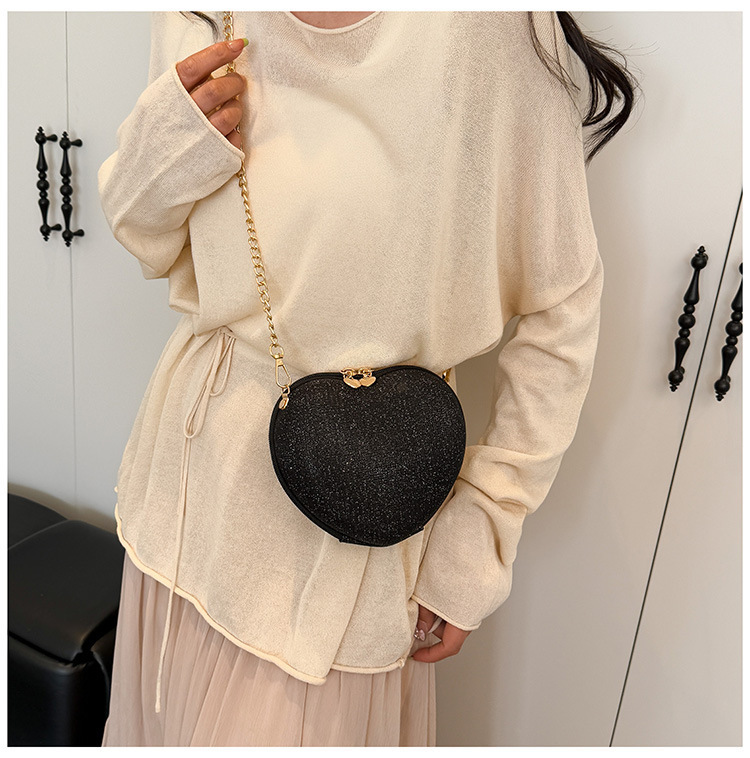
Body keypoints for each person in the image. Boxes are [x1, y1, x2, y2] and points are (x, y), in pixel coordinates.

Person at [97, 10, 638, 747]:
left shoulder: (490, 30)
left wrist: (480, 531)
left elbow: (563, 305)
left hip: (346, 538)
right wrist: (167, 148)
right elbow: (146, 238)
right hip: (179, 498)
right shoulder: (201, 15)